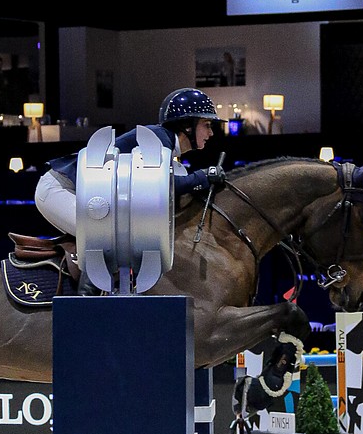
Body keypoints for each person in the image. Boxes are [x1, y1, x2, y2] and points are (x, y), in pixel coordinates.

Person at [34, 87, 228, 294]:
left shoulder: (167, 147)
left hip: (83, 194)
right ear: (186, 125)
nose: (211, 133)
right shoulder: (157, 139)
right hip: (60, 189)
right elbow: (161, 190)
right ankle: (86, 301)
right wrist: (203, 176)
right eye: (206, 125)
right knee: (103, 235)